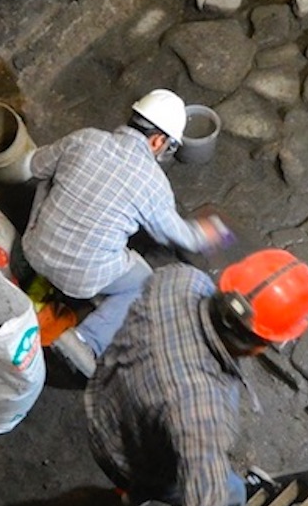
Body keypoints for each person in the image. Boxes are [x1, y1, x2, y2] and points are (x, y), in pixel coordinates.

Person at [83, 248, 308, 506]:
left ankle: (128, 494)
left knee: (161, 463)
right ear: (261, 348)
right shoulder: (203, 411)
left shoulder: (179, 279)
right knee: (231, 491)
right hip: (136, 459)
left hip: (103, 406)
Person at [24, 88, 231, 376]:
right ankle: (86, 341)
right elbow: (176, 235)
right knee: (144, 283)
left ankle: (45, 274)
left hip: (33, 247)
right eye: (168, 146)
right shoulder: (153, 182)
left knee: (47, 181)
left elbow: (35, 165)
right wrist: (209, 232)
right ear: (158, 141)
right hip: (82, 277)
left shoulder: (85, 138)